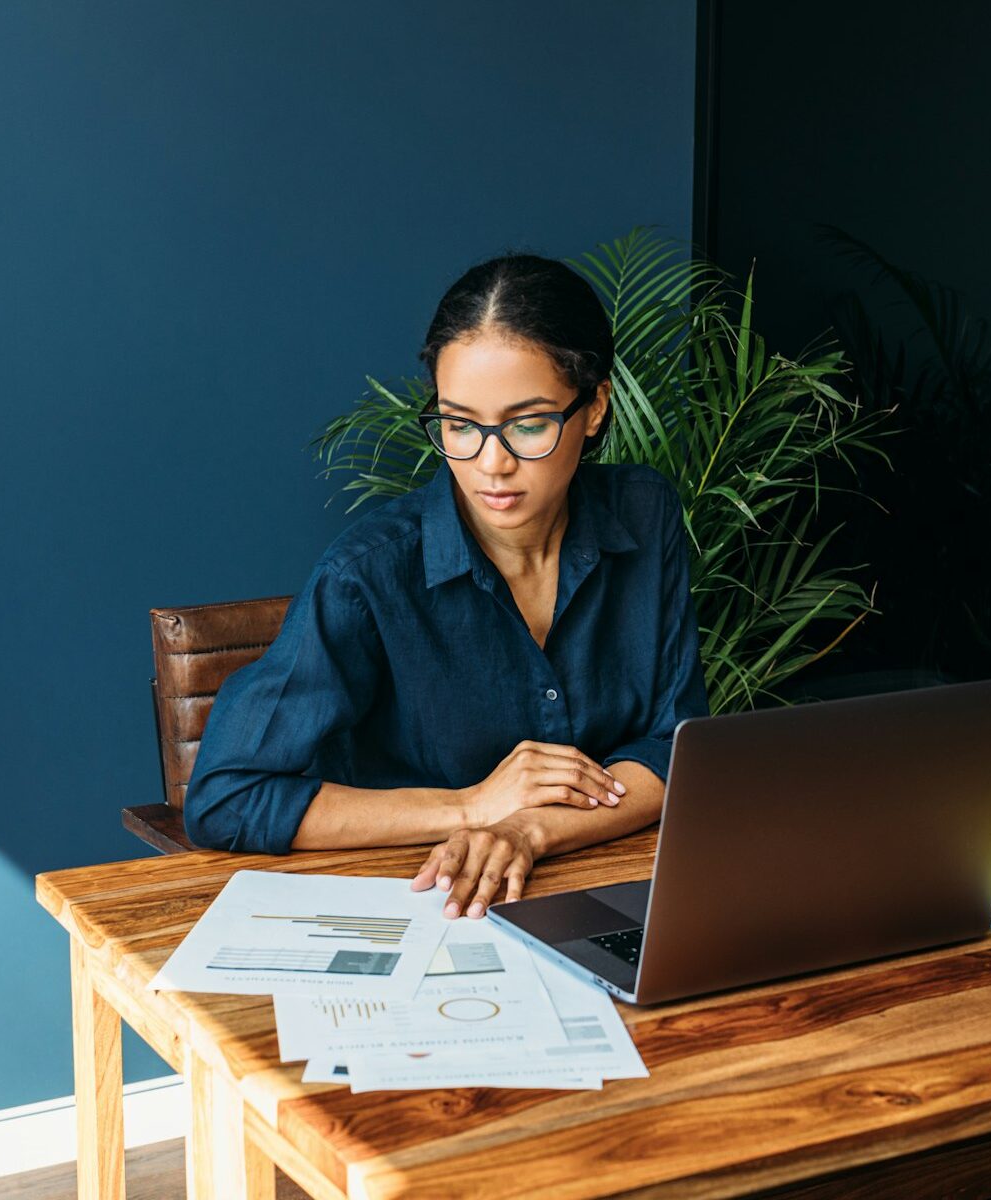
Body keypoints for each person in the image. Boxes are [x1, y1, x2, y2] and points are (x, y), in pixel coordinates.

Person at [182, 252, 711, 922]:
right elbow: (227, 798)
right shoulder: (366, 574)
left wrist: (527, 829)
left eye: (527, 423)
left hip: (602, 893)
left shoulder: (646, 514)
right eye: (460, 424)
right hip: (422, 908)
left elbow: (676, 748)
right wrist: (471, 805)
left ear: (596, 407)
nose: (492, 464)